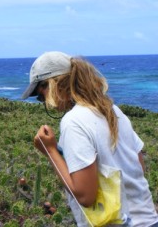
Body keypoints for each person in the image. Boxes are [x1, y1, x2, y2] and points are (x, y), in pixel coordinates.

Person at [21, 51, 158, 227]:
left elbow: (85, 196)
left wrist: (50, 151)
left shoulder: (73, 121)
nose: (44, 102)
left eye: (41, 95)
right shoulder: (114, 111)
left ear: (54, 84)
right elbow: (139, 165)